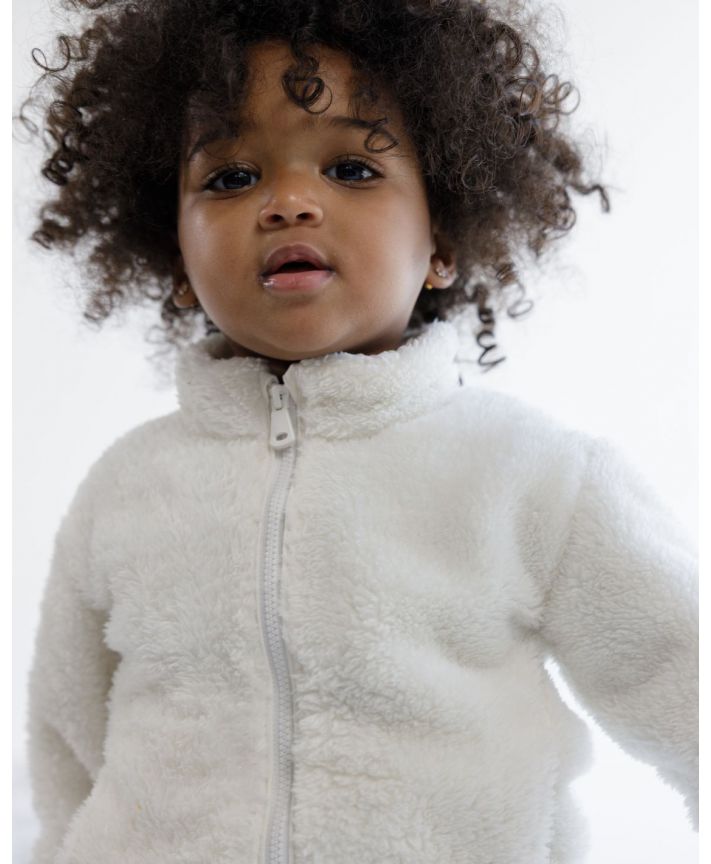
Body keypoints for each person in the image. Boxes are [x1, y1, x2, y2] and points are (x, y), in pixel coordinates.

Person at [21, 1, 698, 862]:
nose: (288, 202)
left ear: (441, 237)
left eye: (350, 167)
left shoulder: (532, 477)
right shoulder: (126, 488)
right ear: (176, 256)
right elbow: (68, 749)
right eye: (230, 178)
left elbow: (686, 685)